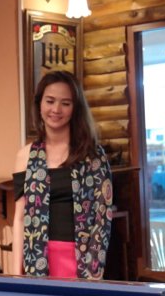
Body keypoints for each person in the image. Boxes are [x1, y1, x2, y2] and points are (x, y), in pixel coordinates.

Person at [12, 70, 113, 279]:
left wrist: (94, 271)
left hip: (83, 261)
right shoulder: (24, 156)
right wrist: (15, 274)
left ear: (75, 109)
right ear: (39, 104)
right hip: (38, 261)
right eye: (50, 101)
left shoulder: (93, 155)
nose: (56, 109)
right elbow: (20, 218)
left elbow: (102, 218)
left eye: (65, 103)